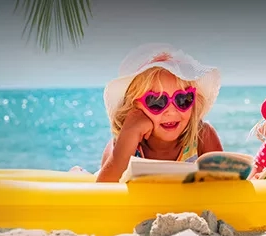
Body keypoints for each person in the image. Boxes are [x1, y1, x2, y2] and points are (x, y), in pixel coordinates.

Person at [84, 43, 225, 182]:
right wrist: (130, 134)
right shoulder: (123, 143)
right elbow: (104, 189)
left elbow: (226, 184)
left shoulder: (202, 136)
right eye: (156, 101)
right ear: (133, 107)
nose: (171, 111)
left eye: (183, 99)